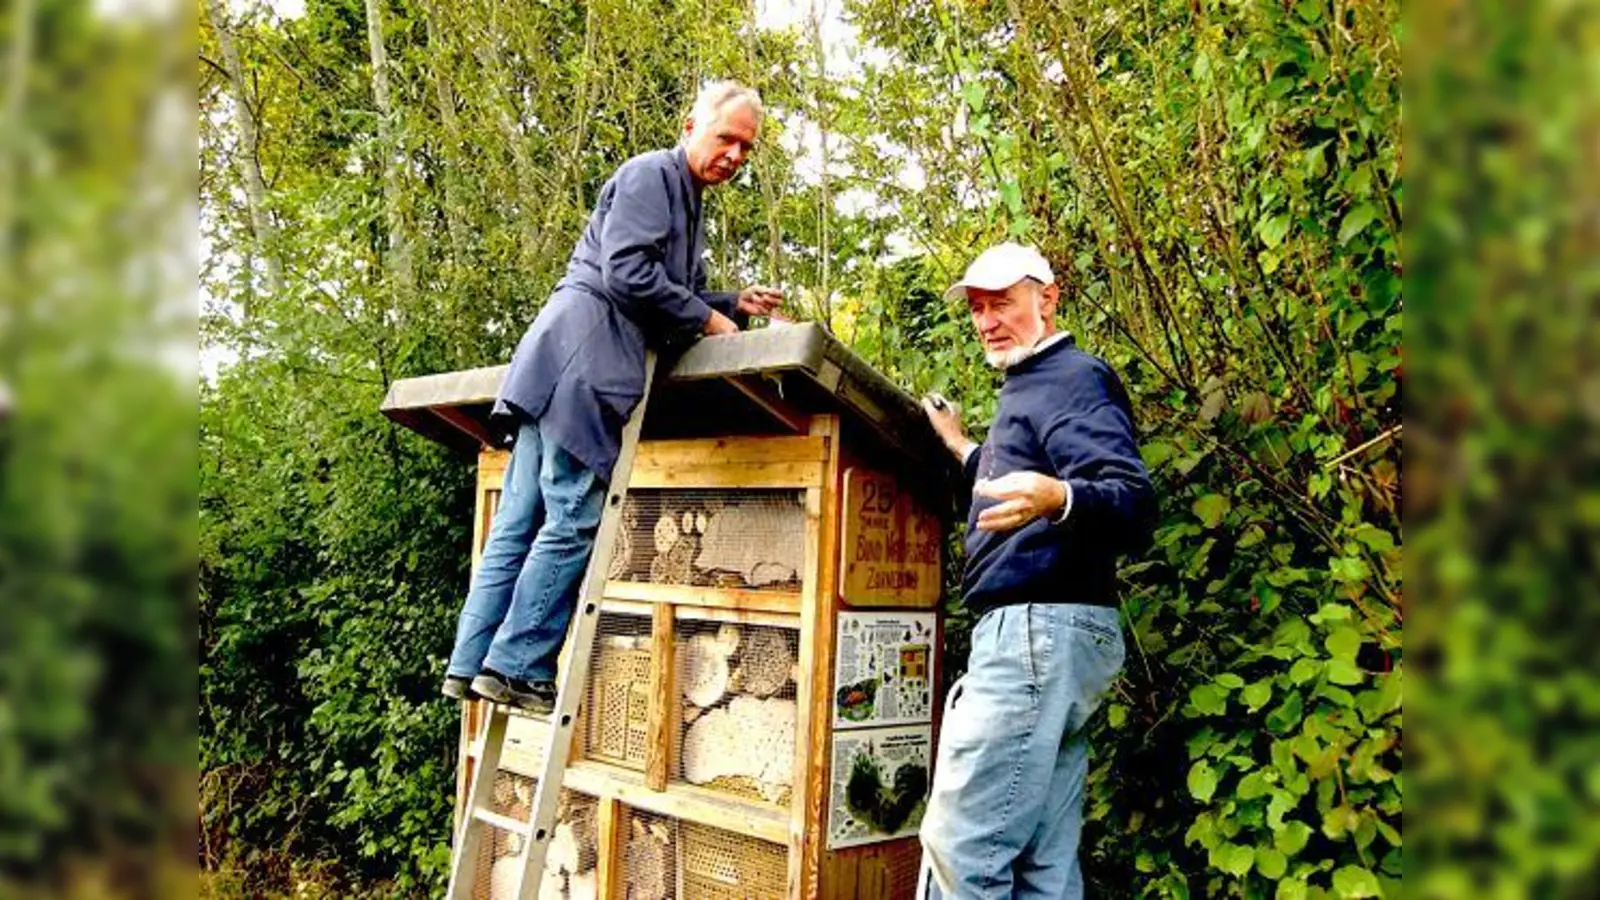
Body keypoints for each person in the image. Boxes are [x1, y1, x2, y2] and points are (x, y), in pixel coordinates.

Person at [440, 81, 783, 714]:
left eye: (746, 147)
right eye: (725, 138)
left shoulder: (685, 200)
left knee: (517, 524)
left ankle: (469, 663)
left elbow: (654, 284)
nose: (735, 155)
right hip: (587, 359)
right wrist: (710, 323)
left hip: (553, 359)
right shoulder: (652, 176)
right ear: (690, 126)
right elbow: (627, 275)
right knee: (571, 520)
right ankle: (518, 667)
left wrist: (731, 304)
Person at [917, 242, 1155, 898]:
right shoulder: (1030, 386)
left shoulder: (1073, 377)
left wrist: (1062, 497)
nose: (987, 319)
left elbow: (1132, 503)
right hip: (1056, 635)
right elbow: (1011, 488)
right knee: (1043, 861)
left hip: (1034, 634)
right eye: (976, 307)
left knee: (961, 842)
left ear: (1047, 300)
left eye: (1002, 302)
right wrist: (964, 446)